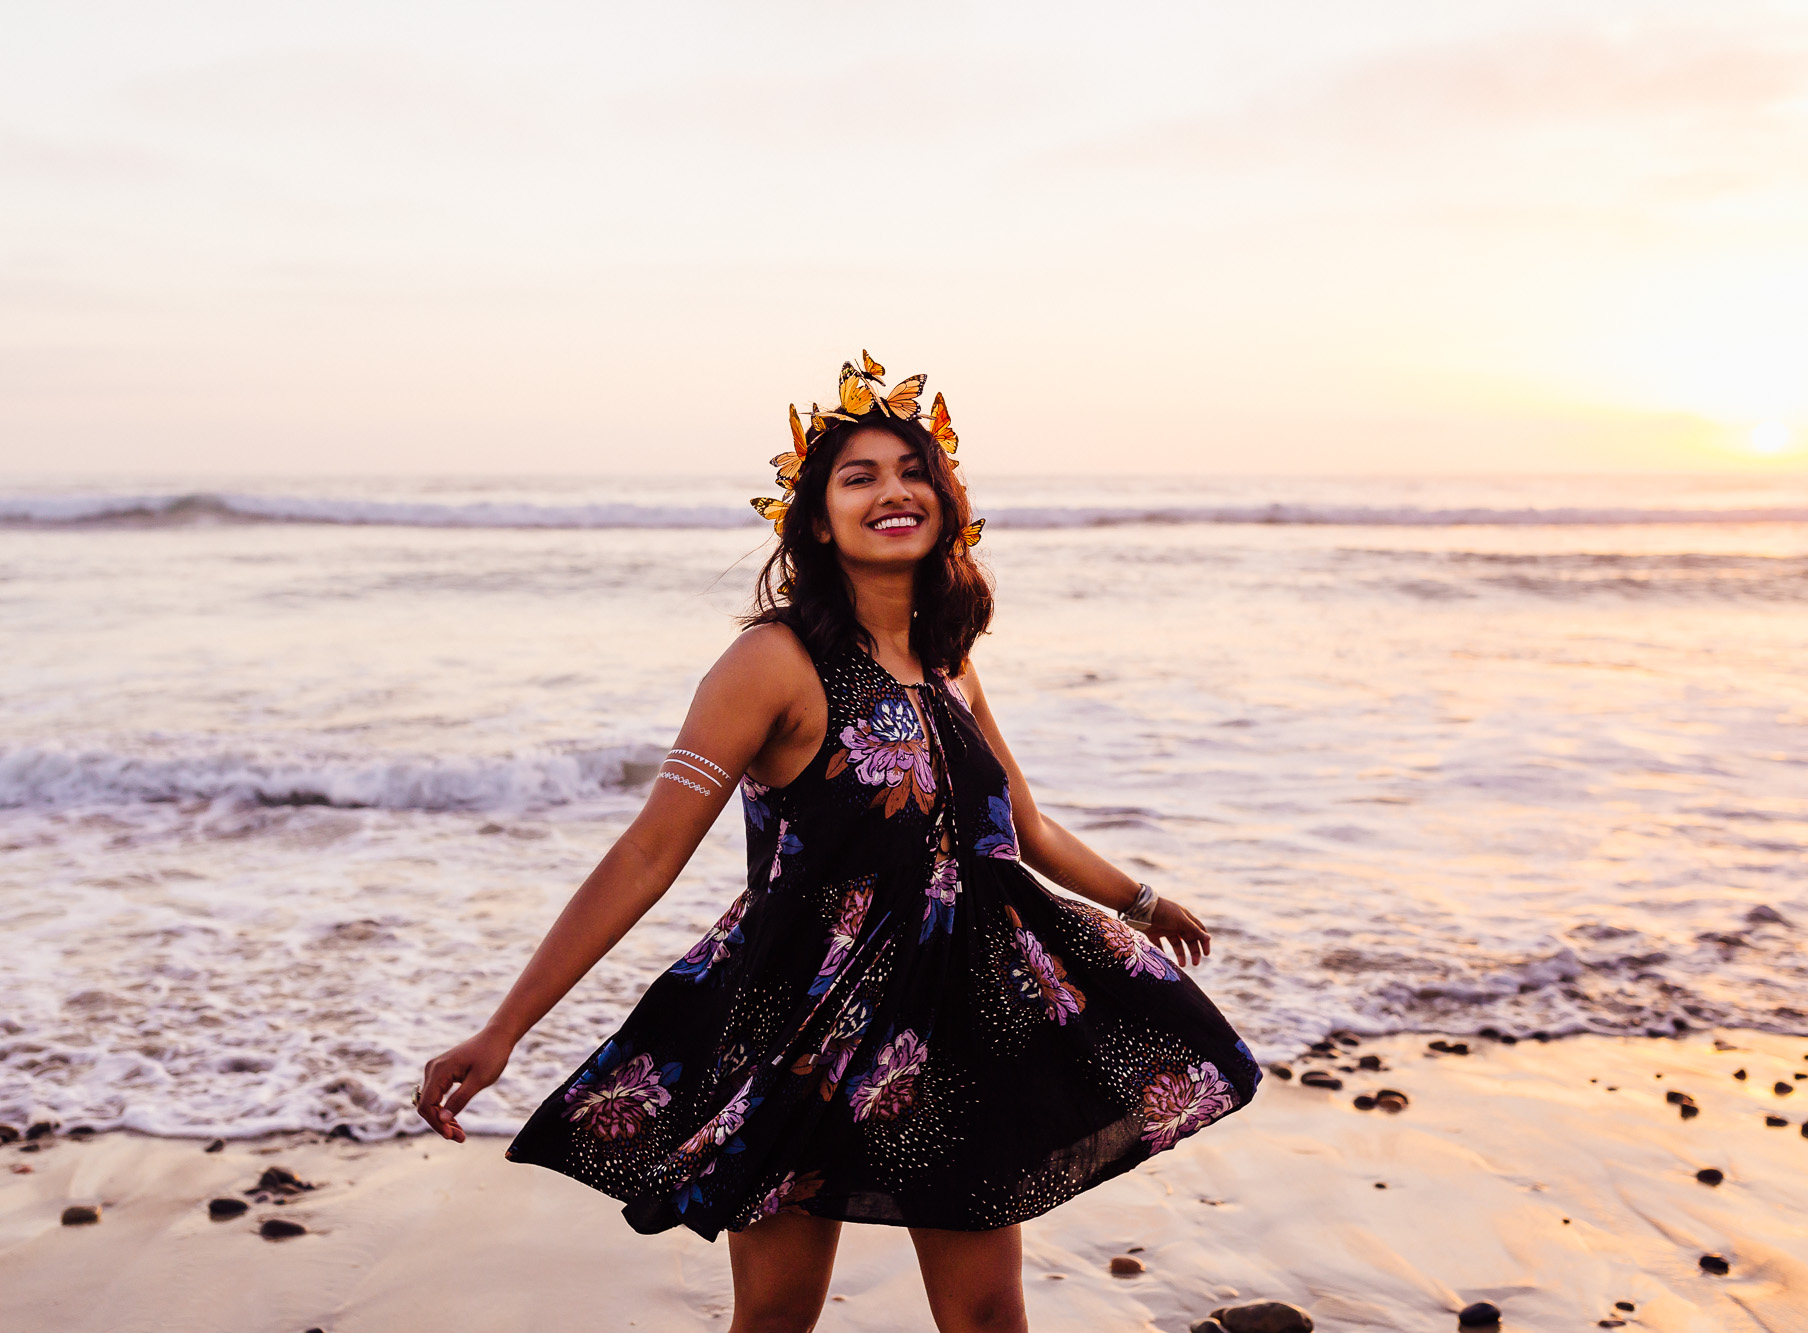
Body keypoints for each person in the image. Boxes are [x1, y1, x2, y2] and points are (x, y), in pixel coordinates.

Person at [414, 354, 1260, 1333]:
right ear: (817, 520)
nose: (892, 491)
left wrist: (1140, 902)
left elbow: (1022, 828)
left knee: (987, 1315)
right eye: (858, 476)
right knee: (775, 1317)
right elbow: (647, 854)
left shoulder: (949, 665)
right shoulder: (768, 661)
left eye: (911, 472)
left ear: (943, 504)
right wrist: (504, 1027)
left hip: (952, 1022)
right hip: (796, 1026)